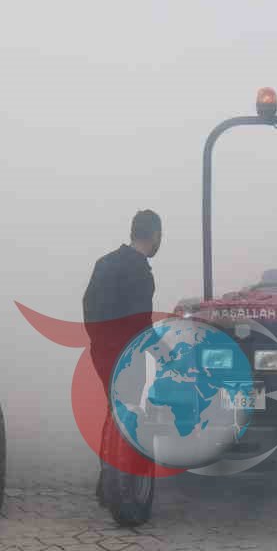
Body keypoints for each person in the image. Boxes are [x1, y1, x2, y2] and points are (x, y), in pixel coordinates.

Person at [82, 210, 163, 500]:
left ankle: (108, 482)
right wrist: (164, 354)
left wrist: (99, 343)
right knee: (135, 415)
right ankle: (128, 489)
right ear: (155, 235)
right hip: (129, 355)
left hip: (102, 352)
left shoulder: (104, 263)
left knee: (114, 410)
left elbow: (88, 307)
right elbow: (140, 323)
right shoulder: (140, 272)